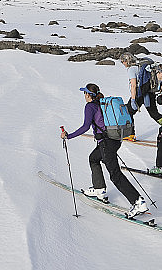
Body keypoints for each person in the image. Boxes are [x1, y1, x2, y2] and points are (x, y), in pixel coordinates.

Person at [61, 83, 148, 218]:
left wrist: (69, 136)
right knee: (93, 158)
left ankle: (138, 202)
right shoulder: (101, 103)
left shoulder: (90, 106)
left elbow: (85, 126)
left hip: (106, 144)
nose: (84, 95)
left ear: (88, 95)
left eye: (85, 93)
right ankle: (99, 188)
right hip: (114, 140)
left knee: (115, 175)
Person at [120, 53, 162, 132]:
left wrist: (133, 99)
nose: (122, 63)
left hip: (139, 94)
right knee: (154, 113)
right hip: (149, 93)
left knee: (128, 112)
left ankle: (130, 134)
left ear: (127, 61)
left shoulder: (131, 69)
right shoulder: (139, 66)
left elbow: (133, 85)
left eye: (123, 61)